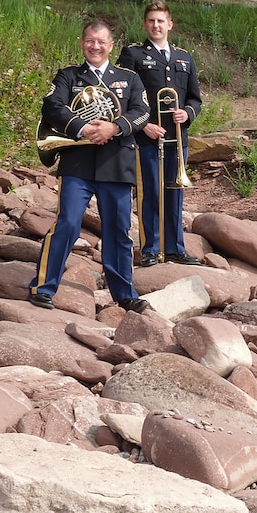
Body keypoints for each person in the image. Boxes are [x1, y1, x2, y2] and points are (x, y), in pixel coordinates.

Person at [30, 21, 151, 312]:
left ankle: (124, 294)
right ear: (83, 43)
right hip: (78, 162)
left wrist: (114, 127)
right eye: (89, 41)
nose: (95, 46)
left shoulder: (129, 78)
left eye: (101, 42)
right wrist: (82, 127)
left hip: (116, 162)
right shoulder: (68, 76)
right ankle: (43, 288)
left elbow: (142, 112)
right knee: (67, 223)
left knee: (118, 231)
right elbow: (52, 106)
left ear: (111, 45)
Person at [119, 3, 202, 267]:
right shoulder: (132, 53)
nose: (156, 25)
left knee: (175, 192)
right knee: (150, 193)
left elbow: (195, 99)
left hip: (178, 139)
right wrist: (143, 125)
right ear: (145, 24)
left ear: (170, 24)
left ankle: (176, 247)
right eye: (151, 21)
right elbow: (122, 96)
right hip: (147, 137)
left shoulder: (184, 57)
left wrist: (187, 113)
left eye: (161, 21)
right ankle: (150, 249)